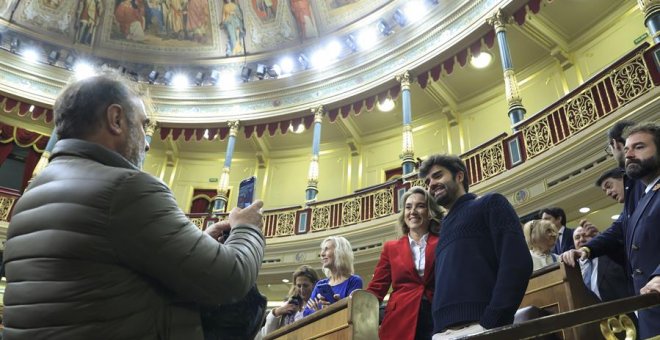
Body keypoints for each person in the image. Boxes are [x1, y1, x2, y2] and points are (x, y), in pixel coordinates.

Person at [2, 73, 266, 339]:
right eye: (142, 125)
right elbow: (230, 279)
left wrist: (197, 244)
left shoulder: (29, 198)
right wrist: (246, 228)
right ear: (116, 119)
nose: (147, 142)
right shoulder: (127, 188)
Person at [561, 122, 660, 339]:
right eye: (626, 150)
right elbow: (619, 229)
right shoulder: (645, 195)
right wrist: (585, 250)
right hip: (650, 308)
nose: (629, 155)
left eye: (639, 147)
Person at [419, 154, 532, 339]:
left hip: (481, 327)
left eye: (438, 176)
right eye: (428, 181)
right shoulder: (444, 227)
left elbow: (517, 263)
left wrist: (492, 322)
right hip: (442, 334)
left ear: (459, 176)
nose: (431, 184)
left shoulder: (490, 204)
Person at [367, 186, 442, 340]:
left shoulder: (442, 242)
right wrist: (352, 304)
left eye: (420, 206)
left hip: (436, 317)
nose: (412, 211)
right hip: (399, 321)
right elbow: (376, 289)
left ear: (430, 213)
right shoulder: (391, 248)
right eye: (408, 207)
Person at [572, 220, 633, 302]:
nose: (581, 239)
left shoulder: (611, 256)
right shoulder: (572, 267)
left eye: (585, 235)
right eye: (577, 237)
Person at [303, 236, 363, 316]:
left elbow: (354, 313)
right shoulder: (320, 284)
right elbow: (306, 313)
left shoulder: (354, 281)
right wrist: (321, 311)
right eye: (322, 250)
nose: (322, 254)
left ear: (340, 252)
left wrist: (334, 307)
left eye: (326, 249)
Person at [257, 265, 319, 338]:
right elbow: (267, 334)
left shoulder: (319, 303)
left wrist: (318, 313)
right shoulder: (289, 304)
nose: (302, 290)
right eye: (299, 286)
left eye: (305, 285)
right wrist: (276, 312)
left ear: (314, 284)